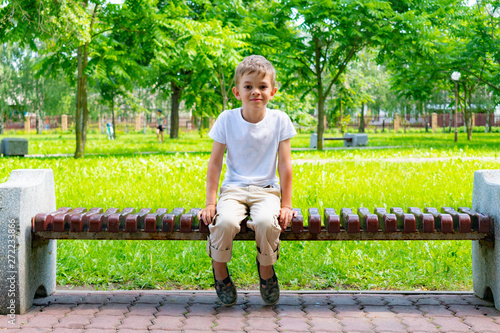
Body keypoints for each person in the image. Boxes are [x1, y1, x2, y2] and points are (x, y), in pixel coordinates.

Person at [197, 55, 297, 306]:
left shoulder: (280, 120)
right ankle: (220, 273)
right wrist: (210, 203)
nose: (256, 92)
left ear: (273, 91)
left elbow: (285, 164)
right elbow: (215, 163)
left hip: (267, 190)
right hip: (233, 189)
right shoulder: (227, 119)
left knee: (266, 222)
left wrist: (286, 205)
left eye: (262, 87)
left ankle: (266, 271)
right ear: (237, 91)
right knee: (224, 222)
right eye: (248, 86)